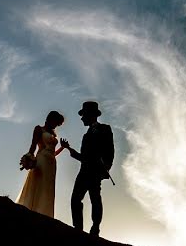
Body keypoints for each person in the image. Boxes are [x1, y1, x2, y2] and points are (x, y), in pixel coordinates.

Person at [59, 101, 114, 237]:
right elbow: (84, 157)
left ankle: (95, 228)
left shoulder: (105, 129)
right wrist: (69, 149)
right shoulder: (85, 136)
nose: (82, 118)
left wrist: (106, 168)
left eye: (84, 115)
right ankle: (78, 229)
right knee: (75, 199)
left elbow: (110, 151)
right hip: (84, 171)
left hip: (96, 172)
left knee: (95, 199)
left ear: (91, 115)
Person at [16, 111, 65, 218]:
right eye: (56, 123)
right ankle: (32, 212)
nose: (56, 125)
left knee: (48, 188)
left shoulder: (52, 134)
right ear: (50, 119)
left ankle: (44, 214)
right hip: (41, 161)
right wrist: (29, 157)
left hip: (51, 164)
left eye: (58, 124)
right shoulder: (39, 129)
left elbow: (53, 153)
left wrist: (62, 147)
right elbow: (33, 145)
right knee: (39, 185)